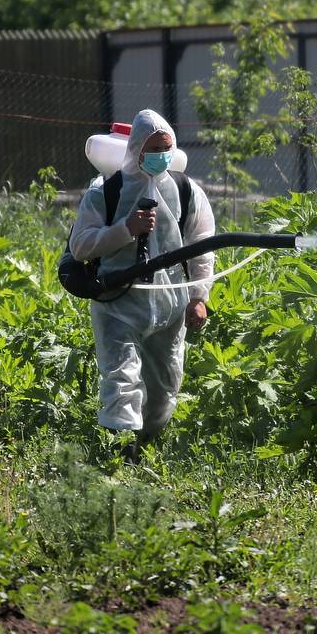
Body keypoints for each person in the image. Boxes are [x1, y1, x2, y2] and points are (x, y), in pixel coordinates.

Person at [68, 109, 216, 461]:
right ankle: (121, 453)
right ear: (135, 149)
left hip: (170, 306)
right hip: (119, 304)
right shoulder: (106, 191)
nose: (161, 156)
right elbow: (81, 245)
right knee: (122, 378)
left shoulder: (186, 190)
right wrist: (125, 230)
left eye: (166, 148)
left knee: (165, 387)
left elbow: (203, 246)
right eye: (153, 149)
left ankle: (147, 444)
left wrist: (199, 297)